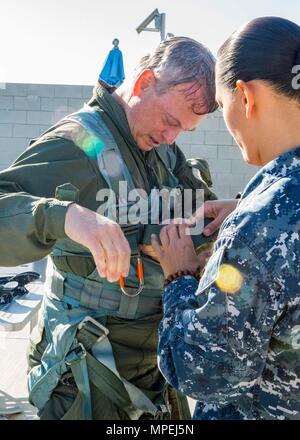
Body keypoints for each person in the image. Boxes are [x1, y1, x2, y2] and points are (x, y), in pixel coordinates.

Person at [0, 37, 218, 419]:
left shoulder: (162, 149)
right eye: (170, 121)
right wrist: (63, 216)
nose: (172, 137)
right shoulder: (77, 144)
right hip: (88, 377)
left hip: (153, 371)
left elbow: (195, 208)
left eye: (184, 129)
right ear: (143, 83)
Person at [152, 17, 300, 420]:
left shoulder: (259, 228)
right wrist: (248, 204)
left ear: (245, 96)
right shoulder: (267, 217)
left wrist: (178, 278)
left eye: (221, 107)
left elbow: (207, 372)